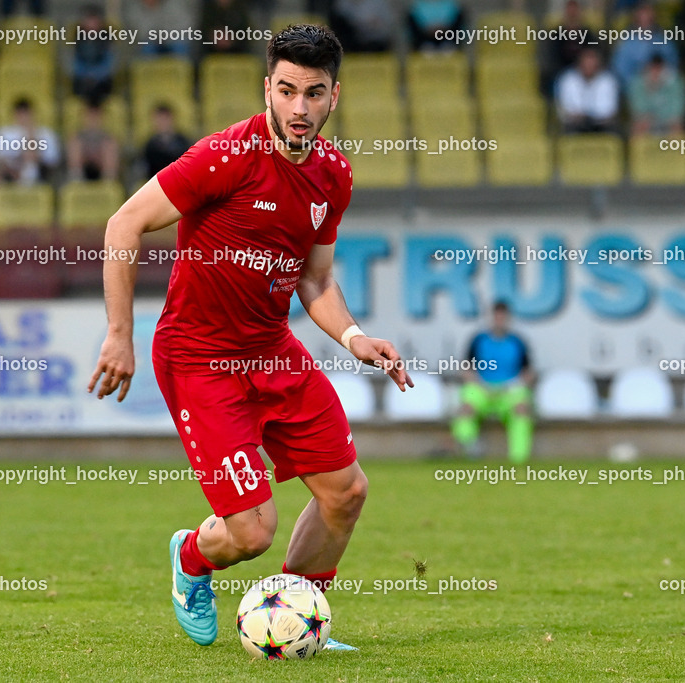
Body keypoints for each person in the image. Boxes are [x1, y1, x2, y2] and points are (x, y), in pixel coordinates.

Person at [88, 24, 412, 650]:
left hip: (272, 351)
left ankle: (297, 616)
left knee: (346, 493)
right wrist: (119, 335)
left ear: (333, 97)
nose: (299, 107)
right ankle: (190, 558)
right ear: (268, 87)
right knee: (251, 533)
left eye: (313, 94)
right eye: (287, 90)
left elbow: (315, 280)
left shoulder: (334, 176)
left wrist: (354, 337)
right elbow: (123, 224)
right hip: (199, 358)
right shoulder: (224, 157)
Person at [451, 301, 534, 464]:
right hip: (483, 388)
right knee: (467, 406)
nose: (499, 320)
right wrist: (478, 383)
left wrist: (515, 384)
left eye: (503, 317)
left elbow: (528, 372)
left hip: (509, 391)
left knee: (522, 409)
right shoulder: (478, 340)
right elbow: (466, 368)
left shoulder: (517, 342)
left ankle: (519, 458)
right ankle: (469, 444)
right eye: (497, 317)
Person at [0, 98, 61, 185]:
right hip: (9, 175)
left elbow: (53, 160)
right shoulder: (3, 133)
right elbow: (0, 159)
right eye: (20, 114)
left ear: (33, 114)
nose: (23, 117)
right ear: (14, 114)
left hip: (42, 174)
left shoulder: (46, 133)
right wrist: (15, 171)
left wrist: (31, 136)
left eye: (26, 114)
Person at [555, 46, 619, 133]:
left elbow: (608, 111)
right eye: (587, 62)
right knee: (568, 130)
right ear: (580, 63)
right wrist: (581, 117)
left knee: (613, 131)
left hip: (602, 125)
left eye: (592, 62)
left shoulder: (608, 80)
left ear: (598, 64)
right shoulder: (568, 79)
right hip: (574, 124)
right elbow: (566, 109)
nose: (589, 66)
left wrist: (591, 118)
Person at [628, 53, 685, 136]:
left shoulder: (676, 83)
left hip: (668, 121)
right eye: (653, 69)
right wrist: (650, 88)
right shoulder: (638, 83)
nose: (656, 73)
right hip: (648, 120)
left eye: (658, 69)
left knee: (678, 126)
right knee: (638, 126)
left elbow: (677, 110)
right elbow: (639, 109)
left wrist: (666, 118)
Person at [68, 4, 115, 106]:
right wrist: (86, 74)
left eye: (94, 21)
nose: (92, 25)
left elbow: (110, 62)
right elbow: (73, 61)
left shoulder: (107, 39)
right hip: (82, 79)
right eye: (89, 21)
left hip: (102, 80)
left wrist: (96, 75)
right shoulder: (76, 38)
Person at [66, 102, 120, 182]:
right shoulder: (76, 139)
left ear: (102, 118)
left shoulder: (109, 139)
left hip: (103, 172)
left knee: (108, 146)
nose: (92, 120)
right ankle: (76, 182)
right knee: (75, 145)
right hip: (82, 172)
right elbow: (73, 162)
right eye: (89, 116)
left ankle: (108, 182)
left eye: (95, 116)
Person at [142, 104, 191, 178]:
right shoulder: (149, 146)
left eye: (165, 119)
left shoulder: (183, 143)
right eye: (159, 119)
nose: (162, 123)